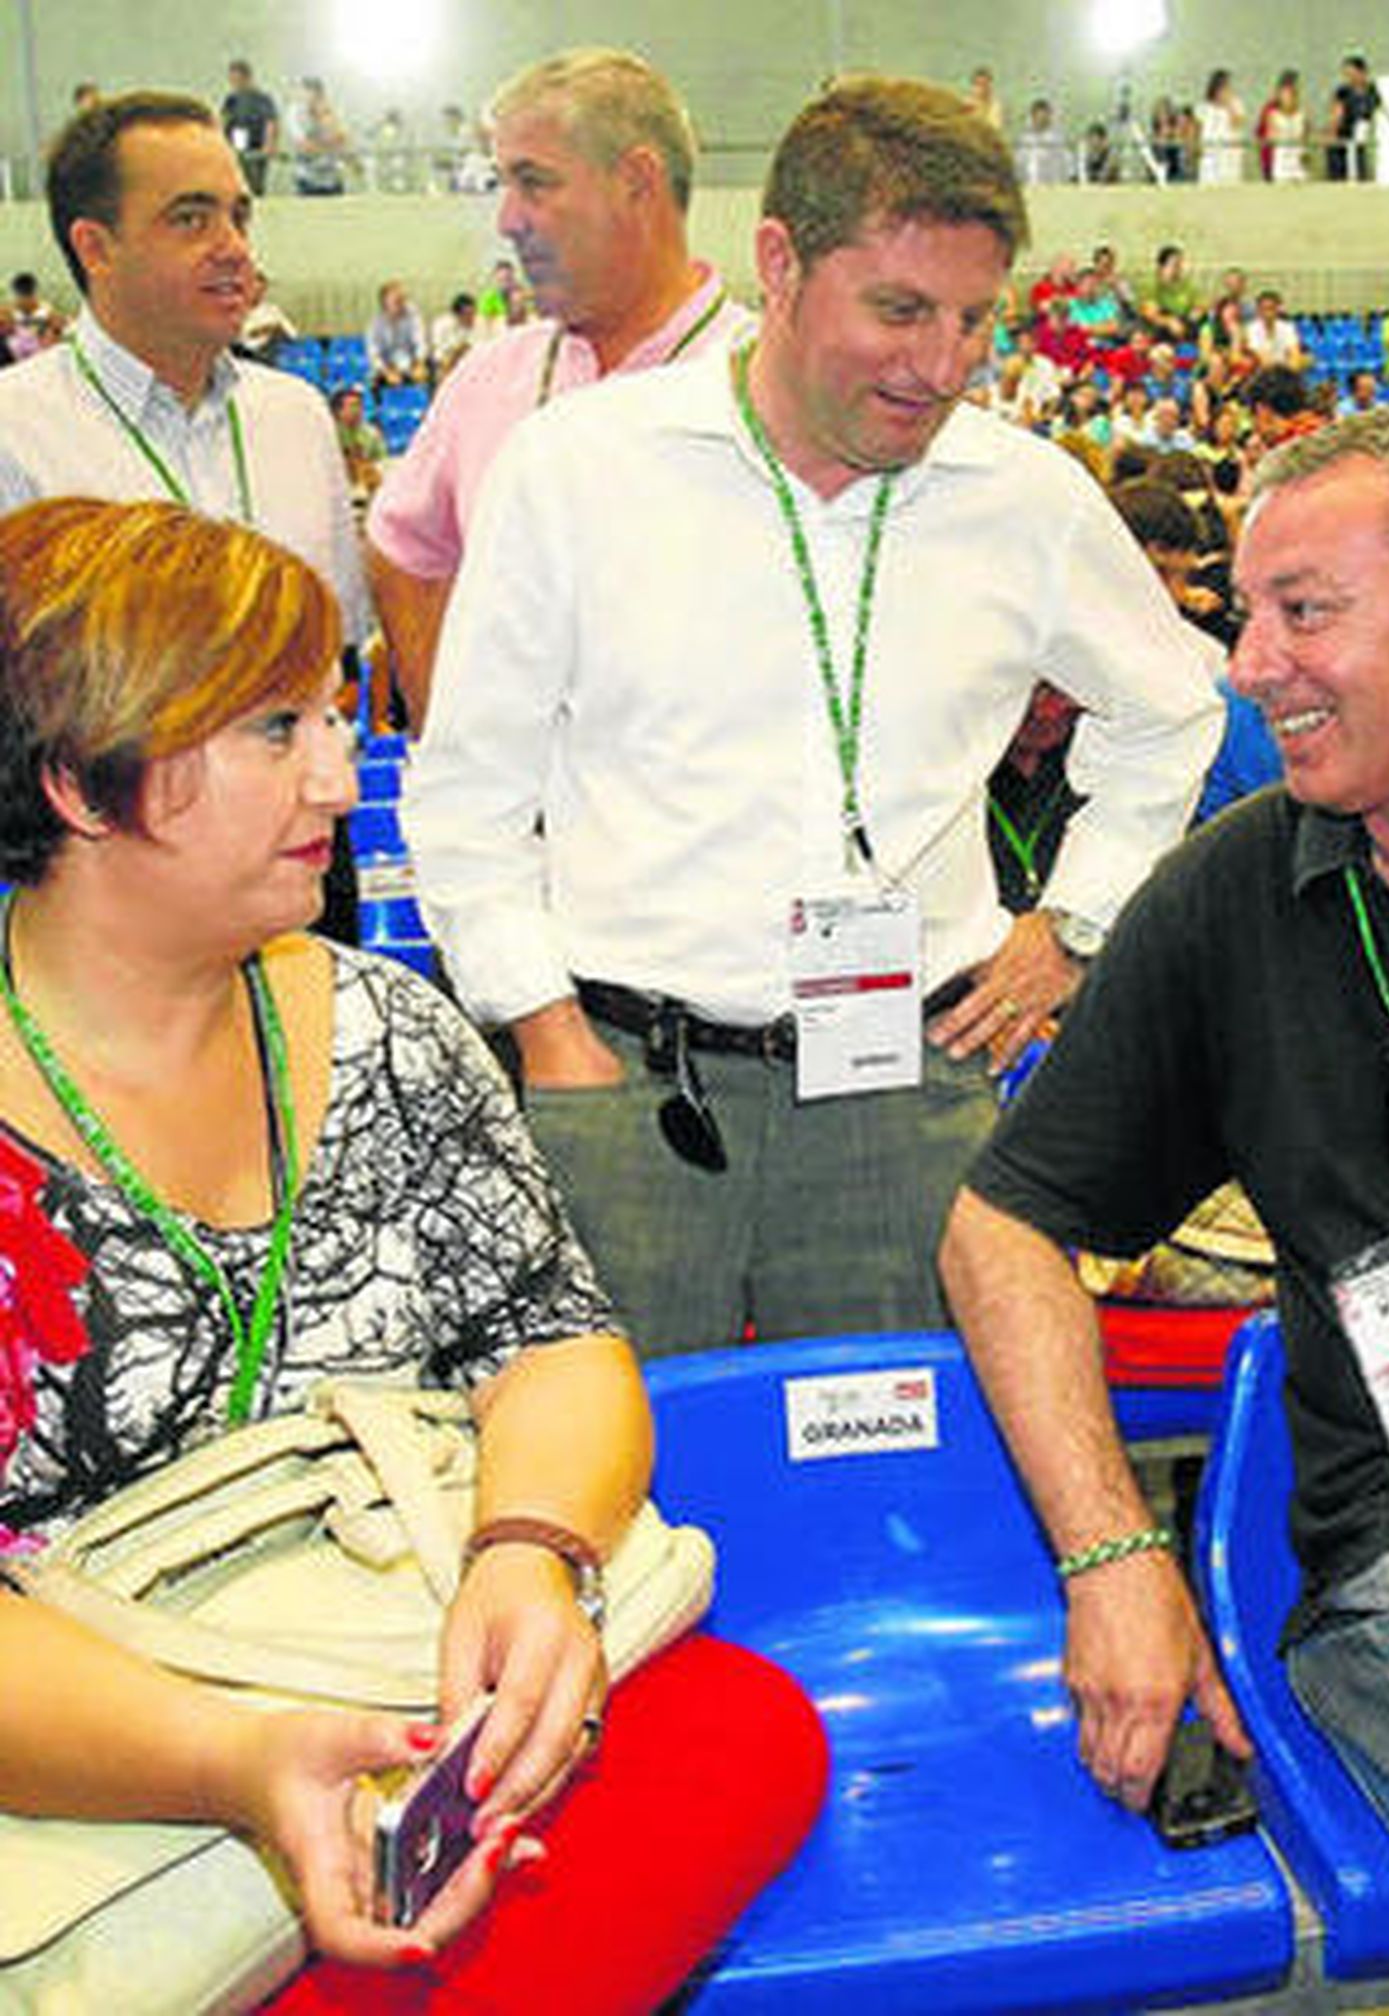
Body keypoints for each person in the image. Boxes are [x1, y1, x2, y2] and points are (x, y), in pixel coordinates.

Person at [0, 494, 826, 2007]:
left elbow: (551, 1337)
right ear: (79, 782)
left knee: (741, 1732)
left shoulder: (383, 1023)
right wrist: (233, 1760)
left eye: (335, 714)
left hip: (399, 1667)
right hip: (92, 1769)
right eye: (271, 731)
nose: (340, 771)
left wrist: (531, 1553)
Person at [941, 404, 1389, 2015]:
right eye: (1249, 614)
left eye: (1304, 613)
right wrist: (1110, 1551)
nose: (1246, 666)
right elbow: (1001, 1224)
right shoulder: (1235, 889)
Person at [404, 75, 1222, 1356]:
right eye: (897, 310)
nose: (940, 365)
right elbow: (468, 789)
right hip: (627, 1085)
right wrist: (544, 1027)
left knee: (891, 1478)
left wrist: (1073, 923)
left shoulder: (1024, 496)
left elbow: (1174, 709)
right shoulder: (580, 470)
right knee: (620, 1504)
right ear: (779, 262)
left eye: (973, 320)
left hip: (905, 1088)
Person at [366, 47, 753, 728]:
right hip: (526, 828)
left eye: (534, 183)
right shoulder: (490, 377)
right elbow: (402, 552)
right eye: (503, 185)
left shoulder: (767, 381)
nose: (506, 220)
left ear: (637, 181)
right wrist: (447, 733)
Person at [0, 91, 367, 646]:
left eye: (239, 216)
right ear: (96, 249)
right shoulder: (16, 434)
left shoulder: (296, 417)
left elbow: (337, 649)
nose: (235, 248)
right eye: (192, 219)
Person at [220, 59, 278, 197]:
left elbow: (271, 122)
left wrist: (269, 145)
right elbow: (224, 121)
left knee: (254, 186)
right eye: (232, 80)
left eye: (237, 79)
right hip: (238, 147)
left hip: (257, 149)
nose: (234, 83)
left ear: (247, 78)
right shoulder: (231, 100)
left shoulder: (262, 99)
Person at [1326, 53, 1382, 181]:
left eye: (1352, 73)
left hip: (1362, 138)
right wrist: (1331, 134)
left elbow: (1381, 111)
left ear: (1362, 72)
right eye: (1346, 74)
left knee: (1360, 172)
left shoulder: (1372, 91)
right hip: (1343, 138)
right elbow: (1336, 116)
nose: (1349, 78)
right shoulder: (1343, 92)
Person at [287, 77, 347, 197]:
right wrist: (329, 143)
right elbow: (305, 146)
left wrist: (325, 117)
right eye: (308, 94)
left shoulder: (330, 110)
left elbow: (342, 140)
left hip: (333, 179)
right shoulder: (295, 113)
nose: (312, 98)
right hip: (307, 180)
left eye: (318, 94)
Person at [365, 279, 429, 388]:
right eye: (396, 301)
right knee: (374, 380)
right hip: (388, 365)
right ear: (385, 303)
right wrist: (386, 371)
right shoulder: (376, 324)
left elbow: (421, 342)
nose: (401, 303)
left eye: (402, 299)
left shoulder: (413, 316)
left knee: (425, 375)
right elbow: (374, 354)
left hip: (411, 362)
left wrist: (419, 363)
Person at [1196, 69, 1246, 185]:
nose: (1226, 91)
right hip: (1211, 159)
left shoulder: (1236, 104)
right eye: (1223, 87)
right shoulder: (1204, 108)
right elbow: (1198, 133)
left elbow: (1237, 123)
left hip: (1230, 159)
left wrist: (1229, 105)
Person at [1259, 70, 1306, 183]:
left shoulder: (1301, 114)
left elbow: (1305, 136)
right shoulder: (1272, 113)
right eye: (1284, 95)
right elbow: (1268, 137)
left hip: (1297, 159)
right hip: (1282, 160)